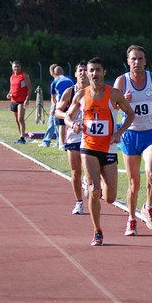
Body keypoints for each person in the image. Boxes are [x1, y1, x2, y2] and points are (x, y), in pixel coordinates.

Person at [65, 57, 134, 246]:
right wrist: (74, 125)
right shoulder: (80, 95)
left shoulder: (115, 94)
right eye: (91, 70)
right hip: (88, 147)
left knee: (110, 198)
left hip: (109, 147)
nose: (94, 74)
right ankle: (97, 231)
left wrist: (119, 132)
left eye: (98, 70)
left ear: (104, 72)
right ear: (86, 73)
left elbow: (131, 114)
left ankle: (97, 181)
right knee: (94, 191)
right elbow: (68, 117)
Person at [114, 45, 152, 236]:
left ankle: (148, 206)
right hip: (129, 135)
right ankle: (131, 219)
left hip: (150, 134)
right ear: (128, 61)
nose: (136, 62)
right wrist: (122, 102)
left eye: (140, 59)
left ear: (145, 61)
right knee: (133, 183)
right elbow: (111, 105)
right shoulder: (122, 81)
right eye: (133, 59)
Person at [55, 61, 89, 215]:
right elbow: (57, 111)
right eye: (80, 70)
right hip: (74, 135)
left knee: (90, 169)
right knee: (75, 171)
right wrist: (69, 119)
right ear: (75, 74)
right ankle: (79, 202)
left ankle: (89, 183)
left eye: (85, 70)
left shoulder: (95, 91)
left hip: (91, 135)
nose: (82, 73)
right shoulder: (70, 91)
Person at [7, 61, 32, 144]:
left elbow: (29, 87)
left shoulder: (24, 75)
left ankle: (22, 138)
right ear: (12, 68)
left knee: (20, 118)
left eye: (17, 66)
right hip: (14, 100)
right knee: (17, 120)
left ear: (20, 67)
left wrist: (27, 99)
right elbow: (11, 88)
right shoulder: (12, 77)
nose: (16, 68)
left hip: (22, 100)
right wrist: (9, 94)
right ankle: (20, 136)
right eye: (15, 67)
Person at [51, 66, 74, 150]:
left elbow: (53, 97)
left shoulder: (54, 81)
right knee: (72, 121)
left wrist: (56, 106)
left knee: (61, 124)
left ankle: (61, 144)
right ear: (63, 72)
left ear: (54, 73)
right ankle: (70, 140)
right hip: (72, 102)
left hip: (62, 102)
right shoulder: (70, 78)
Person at [38, 64, 58, 148]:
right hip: (59, 104)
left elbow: (54, 97)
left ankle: (46, 142)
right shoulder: (62, 80)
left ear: (52, 72)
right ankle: (58, 142)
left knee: (51, 124)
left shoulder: (55, 82)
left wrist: (54, 107)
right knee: (57, 124)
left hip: (56, 104)